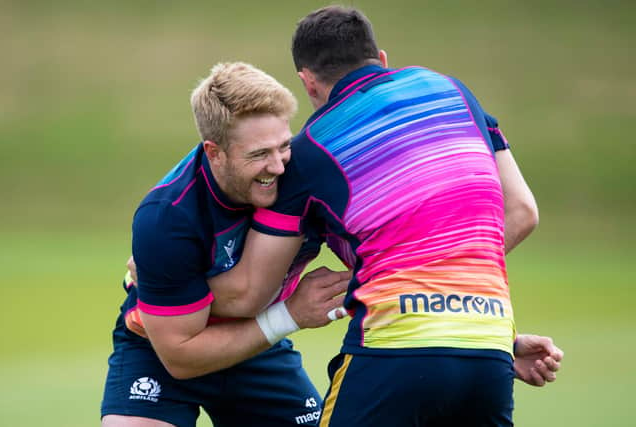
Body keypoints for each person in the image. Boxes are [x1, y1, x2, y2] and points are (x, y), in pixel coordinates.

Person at [206, 6, 563, 427]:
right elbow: (521, 211)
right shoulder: (454, 91)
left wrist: (163, 282)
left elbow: (249, 292)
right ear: (382, 58)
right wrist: (445, 289)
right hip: (489, 347)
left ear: (307, 81)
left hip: (394, 350)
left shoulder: (310, 149)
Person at [100, 62, 351, 427]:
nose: (278, 166)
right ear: (214, 152)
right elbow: (180, 357)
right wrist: (291, 315)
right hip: (160, 346)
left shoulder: (302, 174)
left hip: (257, 348)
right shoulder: (167, 217)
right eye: (258, 154)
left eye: (283, 146)